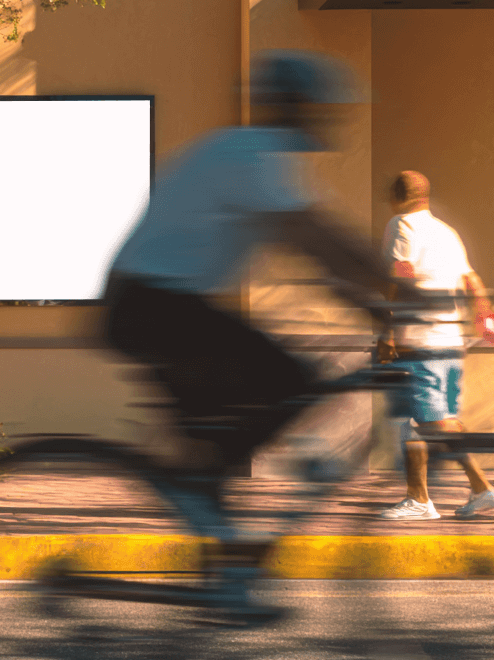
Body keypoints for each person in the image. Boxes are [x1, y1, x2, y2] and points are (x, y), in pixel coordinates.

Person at [104, 50, 420, 541]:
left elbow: (313, 256)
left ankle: (208, 508)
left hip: (153, 302)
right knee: (288, 377)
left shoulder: (252, 155)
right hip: (155, 304)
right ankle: (200, 489)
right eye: (320, 108)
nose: (327, 120)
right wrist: (397, 292)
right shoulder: (255, 156)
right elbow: (319, 239)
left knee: (228, 413)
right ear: (297, 106)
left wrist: (371, 305)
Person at [377, 171, 494, 520]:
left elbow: (402, 276)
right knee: (425, 421)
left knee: (429, 421)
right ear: (425, 195)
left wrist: (389, 332)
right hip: (450, 343)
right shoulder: (447, 232)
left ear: (397, 196)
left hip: (419, 341)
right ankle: (472, 491)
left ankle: (429, 498)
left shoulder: (402, 224)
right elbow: (472, 280)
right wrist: (485, 319)